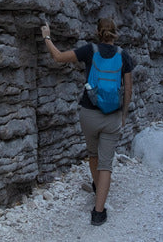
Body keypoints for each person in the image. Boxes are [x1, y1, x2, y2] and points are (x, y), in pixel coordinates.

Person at [40, 18, 135, 226]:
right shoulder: (124, 55)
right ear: (115, 33)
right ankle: (98, 213)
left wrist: (47, 37)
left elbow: (58, 57)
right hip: (112, 117)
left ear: (97, 32)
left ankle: (97, 187)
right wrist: (124, 114)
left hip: (89, 114)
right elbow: (128, 89)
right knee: (106, 164)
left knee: (93, 155)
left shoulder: (89, 50)